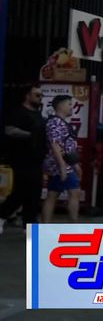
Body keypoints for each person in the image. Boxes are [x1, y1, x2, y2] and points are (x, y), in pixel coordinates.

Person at [0, 85, 45, 232]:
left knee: (34, 193)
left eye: (41, 95)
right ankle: (2, 215)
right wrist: (30, 135)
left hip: (36, 159)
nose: (40, 98)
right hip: (21, 159)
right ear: (27, 95)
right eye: (37, 95)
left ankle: (29, 225)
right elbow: (9, 130)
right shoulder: (18, 112)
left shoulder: (38, 114)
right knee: (21, 191)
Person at [41, 95, 82, 224]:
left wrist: (74, 165)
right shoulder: (55, 123)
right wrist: (63, 167)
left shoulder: (60, 122)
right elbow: (55, 145)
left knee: (53, 194)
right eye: (69, 104)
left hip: (62, 163)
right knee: (74, 192)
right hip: (60, 164)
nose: (71, 107)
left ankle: (45, 225)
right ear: (60, 106)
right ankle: (73, 224)